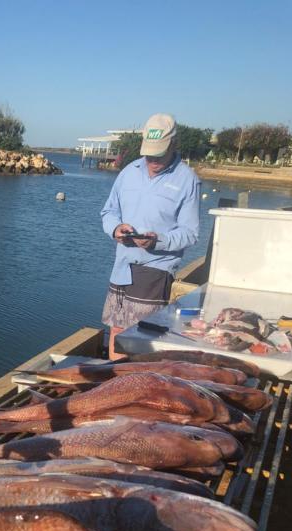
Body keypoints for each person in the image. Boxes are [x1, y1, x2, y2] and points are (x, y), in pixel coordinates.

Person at [100, 113, 200, 359]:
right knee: (117, 329)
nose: (152, 160)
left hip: (155, 268)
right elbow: (109, 210)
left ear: (174, 144)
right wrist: (115, 228)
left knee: (142, 339)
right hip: (121, 266)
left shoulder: (188, 181)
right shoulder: (128, 172)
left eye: (159, 153)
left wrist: (158, 240)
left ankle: (137, 386)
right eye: (149, 153)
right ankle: (117, 384)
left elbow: (190, 233)